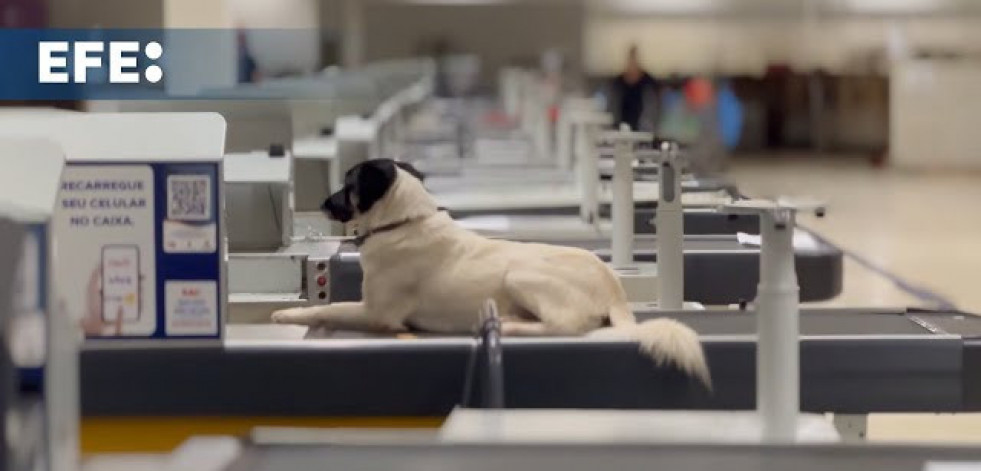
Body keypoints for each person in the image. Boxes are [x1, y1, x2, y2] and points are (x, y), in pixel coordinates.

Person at [609, 45, 659, 132]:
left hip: (642, 129)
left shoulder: (648, 82)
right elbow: (613, 106)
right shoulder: (618, 82)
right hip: (620, 128)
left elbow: (651, 108)